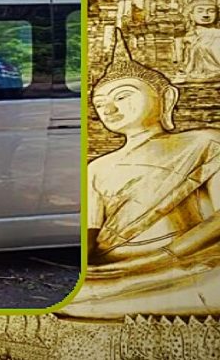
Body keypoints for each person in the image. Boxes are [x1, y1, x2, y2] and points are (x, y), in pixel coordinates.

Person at [59, 29, 220, 319]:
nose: (110, 109)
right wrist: (80, 269)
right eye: (100, 104)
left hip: (189, 262)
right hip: (118, 270)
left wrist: (171, 254)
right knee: (71, 295)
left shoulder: (206, 143)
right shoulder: (98, 168)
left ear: (166, 97)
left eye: (123, 96)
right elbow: (90, 233)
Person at [173, 0, 220, 82]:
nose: (205, 15)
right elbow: (179, 60)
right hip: (193, 74)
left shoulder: (217, 34)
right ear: (191, 15)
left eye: (211, 11)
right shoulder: (187, 36)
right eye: (200, 11)